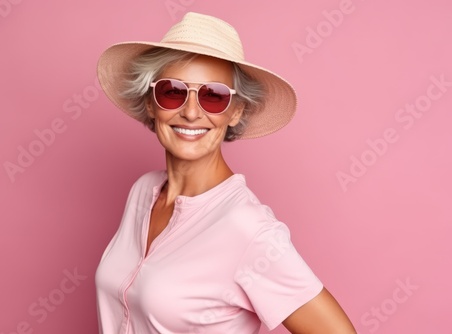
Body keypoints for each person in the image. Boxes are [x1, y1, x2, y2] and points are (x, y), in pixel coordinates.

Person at [95, 12, 356, 334]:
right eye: (173, 91)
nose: (191, 112)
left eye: (213, 96)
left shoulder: (249, 229)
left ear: (236, 111)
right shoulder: (143, 191)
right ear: (151, 103)